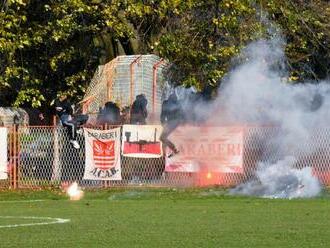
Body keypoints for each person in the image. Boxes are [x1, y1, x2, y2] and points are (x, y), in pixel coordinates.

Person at [160, 92, 184, 158]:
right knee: (163, 138)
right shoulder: (178, 103)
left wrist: (163, 123)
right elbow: (182, 114)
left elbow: (163, 114)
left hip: (172, 122)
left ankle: (174, 150)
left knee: (162, 137)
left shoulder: (166, 103)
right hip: (173, 122)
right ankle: (164, 154)